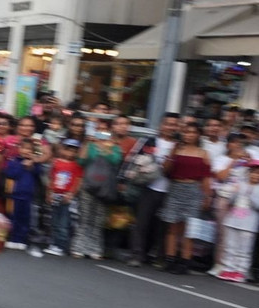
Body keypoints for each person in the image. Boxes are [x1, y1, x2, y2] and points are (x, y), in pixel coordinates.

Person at [160, 121, 213, 273]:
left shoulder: (203, 153)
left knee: (189, 229)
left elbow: (206, 177)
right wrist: (172, 154)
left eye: (193, 132)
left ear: (198, 135)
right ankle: (170, 259)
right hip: (176, 188)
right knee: (172, 226)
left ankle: (185, 261)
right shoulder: (176, 149)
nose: (189, 135)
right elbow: (166, 170)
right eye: (187, 132)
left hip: (194, 189)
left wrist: (207, 196)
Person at [129, 112, 180, 267]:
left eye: (174, 124)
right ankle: (137, 255)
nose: (171, 127)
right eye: (168, 124)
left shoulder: (180, 145)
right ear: (161, 125)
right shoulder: (150, 141)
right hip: (148, 187)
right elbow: (134, 158)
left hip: (171, 190)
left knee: (162, 225)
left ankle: (157, 255)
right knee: (142, 222)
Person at [72, 126, 125, 260]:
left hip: (105, 187)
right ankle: (79, 247)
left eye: (105, 133)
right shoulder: (90, 145)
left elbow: (115, 161)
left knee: (98, 219)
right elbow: (81, 161)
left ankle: (95, 249)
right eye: (99, 132)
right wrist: (87, 143)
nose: (102, 136)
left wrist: (106, 147)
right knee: (85, 217)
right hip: (88, 185)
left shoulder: (115, 148)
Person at [216, 160, 259, 282]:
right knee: (230, 246)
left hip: (249, 225)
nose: (255, 176)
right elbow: (231, 201)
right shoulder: (241, 184)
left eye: (258, 174)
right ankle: (228, 268)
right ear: (248, 173)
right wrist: (234, 192)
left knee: (244, 250)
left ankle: (241, 271)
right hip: (233, 220)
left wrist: (250, 195)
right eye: (253, 173)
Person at [44, 139, 83, 255]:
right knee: (54, 220)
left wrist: (71, 193)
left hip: (67, 196)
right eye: (67, 150)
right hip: (55, 194)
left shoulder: (77, 165)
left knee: (63, 222)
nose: (70, 153)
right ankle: (54, 243)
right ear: (62, 149)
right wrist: (49, 193)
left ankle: (61, 245)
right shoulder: (56, 162)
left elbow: (78, 180)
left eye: (73, 151)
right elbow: (51, 179)